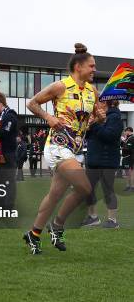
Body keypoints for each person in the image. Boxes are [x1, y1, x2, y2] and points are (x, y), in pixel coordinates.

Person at [23, 43, 98, 255]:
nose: (94, 70)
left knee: (55, 195)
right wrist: (48, 117)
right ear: (79, 67)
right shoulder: (61, 86)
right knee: (84, 188)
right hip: (57, 146)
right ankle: (57, 226)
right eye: (91, 66)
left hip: (73, 149)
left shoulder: (92, 91)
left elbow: (85, 122)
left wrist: (97, 118)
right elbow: (32, 103)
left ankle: (34, 234)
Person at [81, 100, 122, 228]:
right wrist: (89, 125)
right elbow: (87, 136)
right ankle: (93, 217)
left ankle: (112, 220)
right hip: (94, 160)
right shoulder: (97, 118)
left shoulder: (114, 118)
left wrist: (95, 125)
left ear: (107, 104)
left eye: (99, 102)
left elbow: (109, 136)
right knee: (88, 189)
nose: (96, 105)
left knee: (108, 190)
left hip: (107, 161)